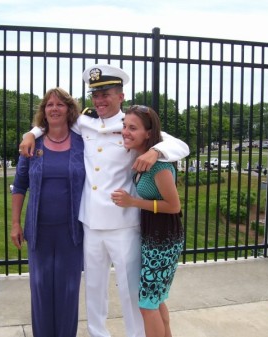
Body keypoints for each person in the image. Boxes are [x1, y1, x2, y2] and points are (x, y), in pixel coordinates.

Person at [19, 64, 189, 337]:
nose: (99, 101)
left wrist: (155, 152)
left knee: (129, 291)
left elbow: (180, 145)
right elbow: (52, 121)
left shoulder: (131, 124)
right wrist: (31, 134)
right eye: (95, 95)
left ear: (120, 96)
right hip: (91, 221)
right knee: (94, 291)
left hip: (123, 224)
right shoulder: (84, 120)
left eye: (106, 94)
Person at [11, 87, 86, 337]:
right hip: (39, 231)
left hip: (71, 232)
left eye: (60, 104)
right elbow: (20, 185)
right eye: (49, 105)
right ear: (44, 111)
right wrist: (15, 224)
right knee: (41, 289)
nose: (54, 108)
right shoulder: (31, 145)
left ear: (69, 109)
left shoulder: (82, 143)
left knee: (68, 290)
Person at [111, 105, 184, 337]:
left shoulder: (159, 166)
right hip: (154, 237)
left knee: (147, 305)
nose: (125, 132)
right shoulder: (143, 158)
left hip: (164, 241)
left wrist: (133, 202)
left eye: (133, 128)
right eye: (124, 126)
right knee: (157, 299)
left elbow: (174, 206)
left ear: (148, 134)